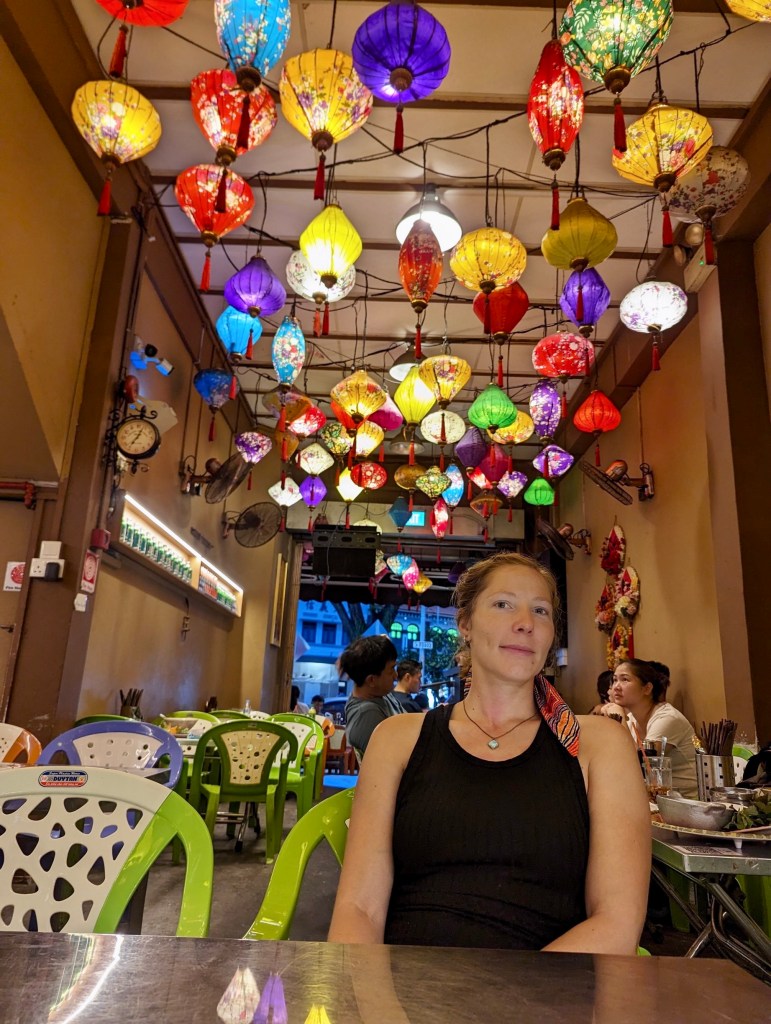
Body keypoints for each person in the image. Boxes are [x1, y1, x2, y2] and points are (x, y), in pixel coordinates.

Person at [329, 552, 649, 953]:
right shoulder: (397, 739)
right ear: (465, 623)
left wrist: (500, 994)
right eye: (503, 604)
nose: (526, 622)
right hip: (405, 980)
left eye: (541, 611)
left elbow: (617, 921)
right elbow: (359, 908)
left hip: (552, 986)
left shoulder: (600, 744)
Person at [610, 659, 699, 798]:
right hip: (656, 800)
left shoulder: (667, 718)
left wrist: (619, 717)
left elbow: (642, 765)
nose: (616, 686)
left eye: (625, 679)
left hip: (687, 802)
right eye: (615, 680)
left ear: (647, 688)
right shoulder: (632, 719)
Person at [340, 635, 405, 762]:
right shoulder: (366, 714)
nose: (396, 676)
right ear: (371, 680)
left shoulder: (381, 693)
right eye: (391, 669)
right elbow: (394, 761)